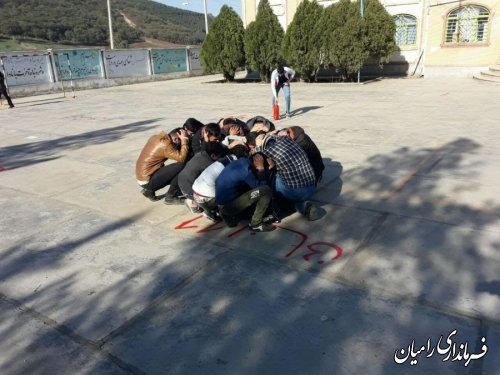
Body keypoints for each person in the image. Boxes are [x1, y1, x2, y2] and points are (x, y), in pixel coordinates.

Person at [256, 134, 320, 221]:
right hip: (312, 187)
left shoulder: (271, 150)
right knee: (283, 172)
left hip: (296, 192)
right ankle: (305, 206)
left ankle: (276, 208)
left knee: (272, 178)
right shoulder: (288, 140)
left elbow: (258, 158)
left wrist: (258, 146)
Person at [215, 153, 275, 232]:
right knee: (266, 190)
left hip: (221, 203)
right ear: (257, 163)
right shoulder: (246, 171)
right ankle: (256, 224)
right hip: (229, 207)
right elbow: (262, 187)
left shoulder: (241, 162)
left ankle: (228, 215)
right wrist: (261, 168)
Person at [192, 144, 249, 222]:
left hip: (196, 195)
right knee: (238, 191)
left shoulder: (225, 159)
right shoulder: (233, 165)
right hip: (208, 199)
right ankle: (225, 213)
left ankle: (210, 211)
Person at [135, 127, 190, 204]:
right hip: (147, 181)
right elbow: (181, 158)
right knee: (183, 166)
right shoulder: (166, 145)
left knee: (175, 168)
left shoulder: (157, 138)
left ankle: (148, 191)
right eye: (181, 139)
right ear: (176, 139)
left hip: (142, 178)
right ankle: (171, 197)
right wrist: (184, 140)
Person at [178, 141, 226, 213]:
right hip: (189, 190)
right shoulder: (208, 164)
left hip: (182, 182)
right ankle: (195, 204)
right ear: (213, 155)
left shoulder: (201, 154)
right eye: (219, 156)